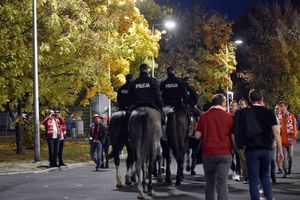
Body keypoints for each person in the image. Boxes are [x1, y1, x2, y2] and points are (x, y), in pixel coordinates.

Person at [234, 89, 284, 200]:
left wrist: (240, 148)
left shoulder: (244, 113)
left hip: (251, 150)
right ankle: (269, 197)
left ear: (250, 100)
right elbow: (276, 132)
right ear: (261, 98)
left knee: (253, 179)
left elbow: (238, 132)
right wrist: (280, 150)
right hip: (267, 149)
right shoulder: (269, 112)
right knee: (265, 176)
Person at [195, 94, 234, 200]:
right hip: (225, 153)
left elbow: (197, 136)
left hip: (208, 153)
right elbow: (233, 135)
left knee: (210, 182)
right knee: (222, 183)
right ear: (223, 102)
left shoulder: (204, 116)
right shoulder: (229, 116)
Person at [277, 101, 298, 178]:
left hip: (290, 140)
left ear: (286, 106)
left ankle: (289, 169)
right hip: (282, 140)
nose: (281, 108)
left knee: (290, 157)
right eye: (280, 106)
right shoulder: (278, 117)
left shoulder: (291, 115)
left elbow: (295, 127)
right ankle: (285, 171)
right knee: (284, 157)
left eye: (282, 106)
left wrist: (295, 137)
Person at [229, 100, 241, 182]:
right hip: (229, 139)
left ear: (236, 107)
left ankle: (238, 172)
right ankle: (233, 169)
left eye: (233, 106)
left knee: (238, 157)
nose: (231, 107)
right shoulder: (227, 115)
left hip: (237, 139)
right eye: (231, 105)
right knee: (229, 158)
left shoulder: (239, 115)